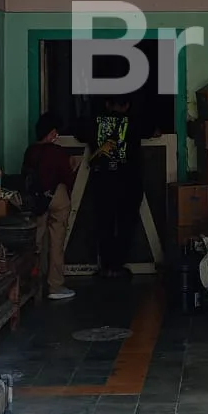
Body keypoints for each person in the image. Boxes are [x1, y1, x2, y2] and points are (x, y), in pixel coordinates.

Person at [75, 96, 145, 278]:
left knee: (103, 223)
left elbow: (78, 133)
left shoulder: (93, 121)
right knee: (126, 225)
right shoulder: (136, 121)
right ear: (127, 105)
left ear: (107, 104)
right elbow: (156, 132)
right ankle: (118, 266)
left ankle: (106, 266)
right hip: (129, 181)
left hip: (102, 180)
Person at [22, 113, 79, 301]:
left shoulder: (30, 151)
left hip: (37, 201)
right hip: (57, 198)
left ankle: (33, 284)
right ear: (52, 132)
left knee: (36, 243)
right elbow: (67, 177)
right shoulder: (57, 152)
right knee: (56, 243)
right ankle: (55, 285)